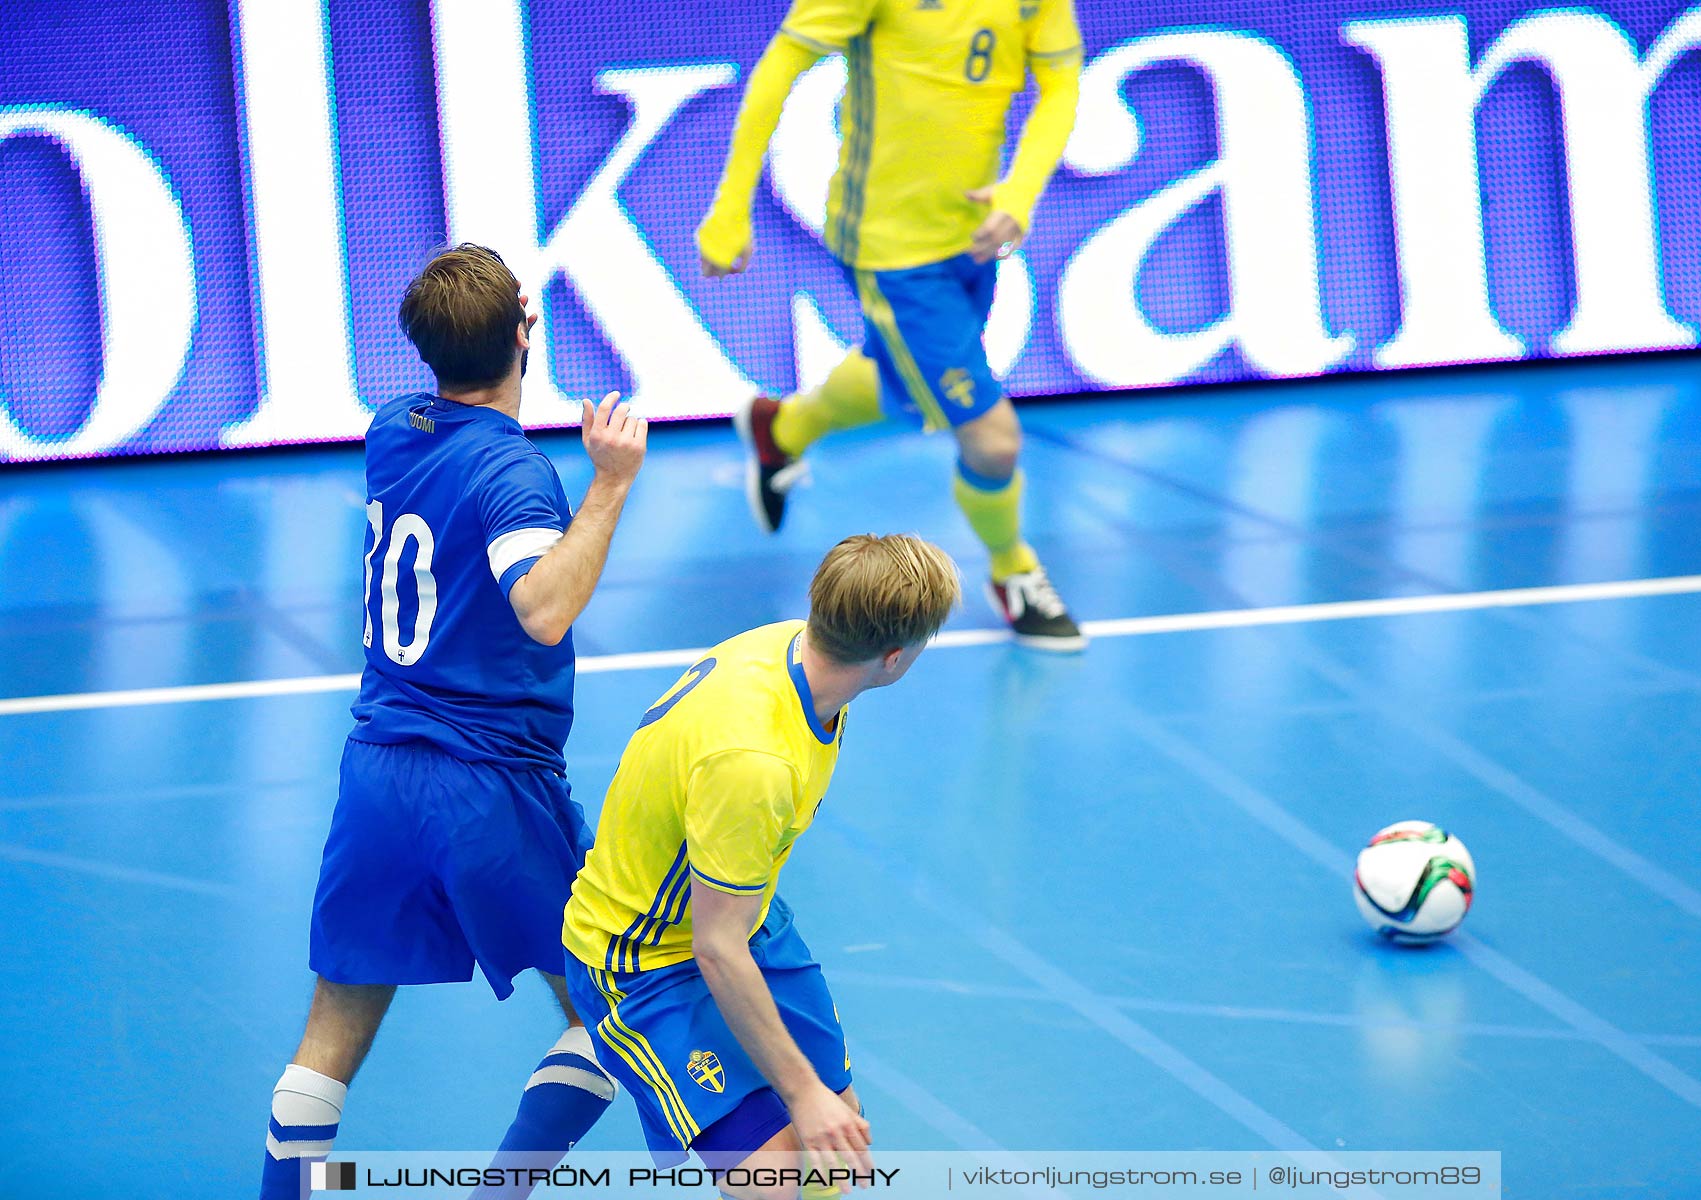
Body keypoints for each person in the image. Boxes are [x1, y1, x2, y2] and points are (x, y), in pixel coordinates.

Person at [259, 244, 648, 1199]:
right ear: (527, 326)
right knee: (614, 1012)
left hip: (378, 774)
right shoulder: (512, 476)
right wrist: (609, 483)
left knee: (331, 1033)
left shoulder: (393, 428)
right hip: (487, 786)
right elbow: (543, 606)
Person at [562, 534, 961, 1196]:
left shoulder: (796, 649)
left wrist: (817, 1100)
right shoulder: (755, 759)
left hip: (740, 912)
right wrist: (801, 1091)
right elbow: (715, 951)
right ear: (894, 659)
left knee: (838, 1135)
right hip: (643, 959)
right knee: (775, 1172)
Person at [696, 0, 1086, 652]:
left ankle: (780, 429)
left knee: (904, 379)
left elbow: (1062, 85)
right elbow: (778, 69)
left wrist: (1020, 193)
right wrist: (732, 206)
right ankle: (1014, 571)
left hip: (973, 238)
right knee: (992, 441)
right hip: (890, 249)